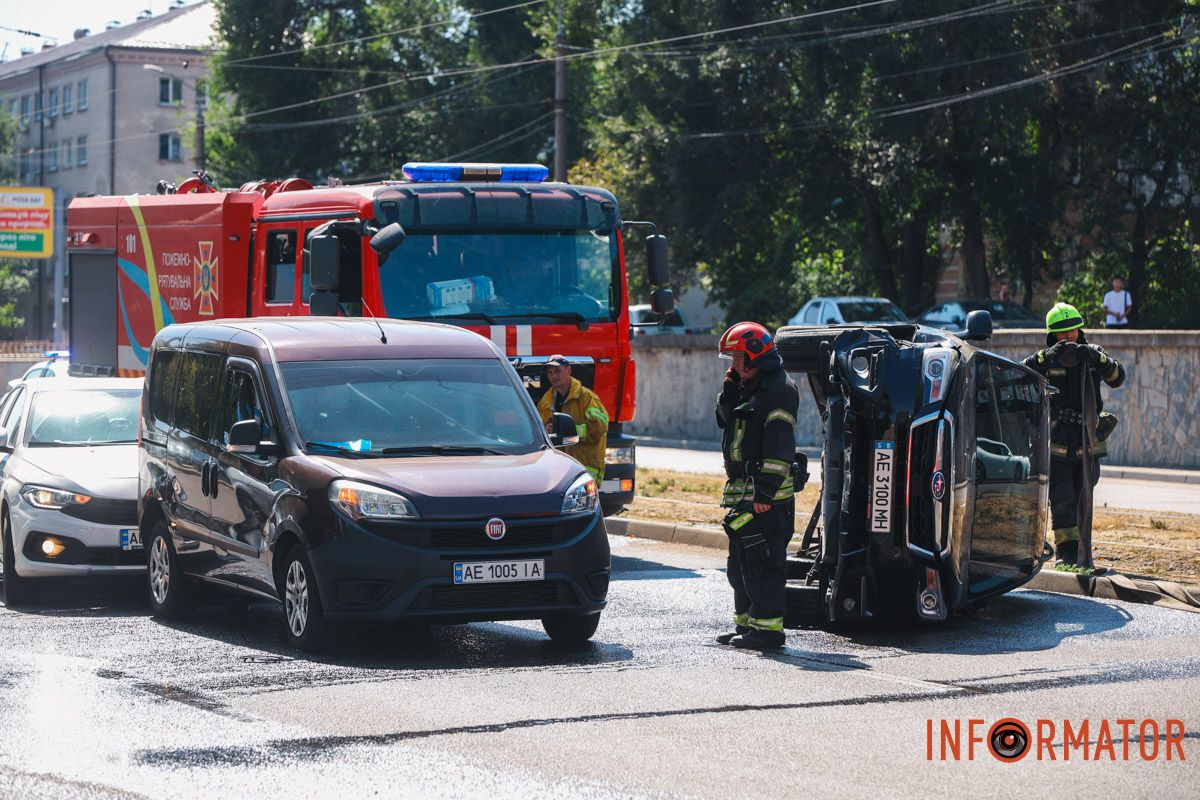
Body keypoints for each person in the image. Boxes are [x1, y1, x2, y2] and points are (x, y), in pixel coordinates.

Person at [714, 322, 800, 651]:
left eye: (737, 359)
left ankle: (768, 632)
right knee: (741, 564)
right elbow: (724, 418)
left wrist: (765, 493)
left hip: (767, 499)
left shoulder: (779, 389)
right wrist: (730, 391)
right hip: (744, 494)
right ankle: (747, 624)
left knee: (764, 565)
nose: (733, 366)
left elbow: (780, 446)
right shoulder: (750, 387)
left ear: (755, 357)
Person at [1022, 303, 1125, 566]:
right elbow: (1021, 373)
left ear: (1080, 330)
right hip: (1057, 439)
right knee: (1062, 497)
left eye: (1072, 332)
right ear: (1052, 336)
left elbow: (1117, 377)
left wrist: (1099, 359)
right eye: (1062, 334)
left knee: (1083, 497)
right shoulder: (1048, 358)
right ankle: (1066, 555)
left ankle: (1083, 553)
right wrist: (1045, 357)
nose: (1069, 337)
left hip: (1086, 438)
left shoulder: (1093, 356)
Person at [537, 354, 609, 481]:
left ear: (569, 370)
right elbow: (538, 430)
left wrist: (570, 432)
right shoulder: (546, 401)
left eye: (558, 371)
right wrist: (547, 431)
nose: (554, 376)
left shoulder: (586, 397)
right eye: (550, 372)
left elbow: (600, 426)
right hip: (559, 469)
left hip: (585, 468)